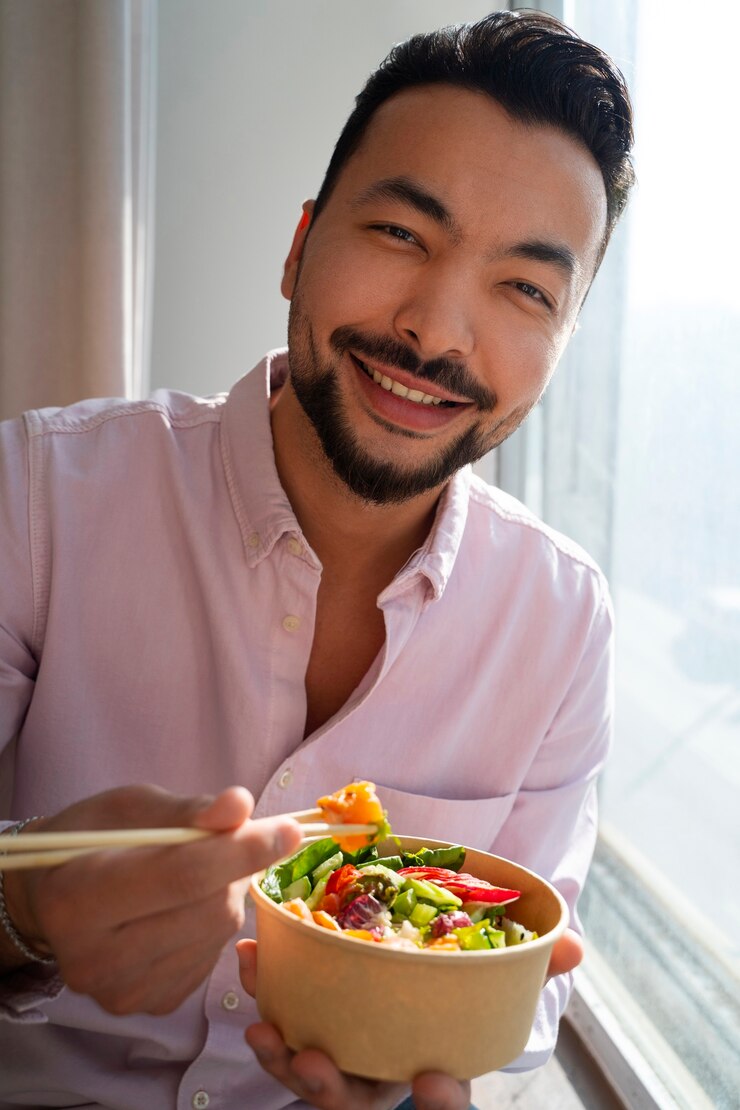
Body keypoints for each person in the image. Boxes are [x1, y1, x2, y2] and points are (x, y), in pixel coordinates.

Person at [0, 9, 634, 1109]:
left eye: (523, 289)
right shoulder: (36, 497)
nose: (437, 332)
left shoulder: (562, 621)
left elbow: (530, 986)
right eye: (400, 233)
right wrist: (20, 913)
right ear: (299, 246)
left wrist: (416, 1046)